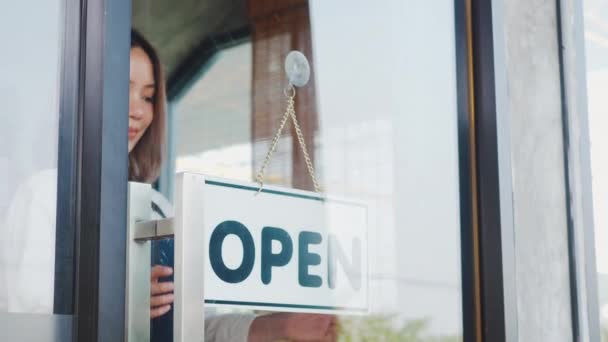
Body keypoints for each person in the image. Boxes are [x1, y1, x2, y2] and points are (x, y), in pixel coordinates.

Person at [0, 28, 336, 342]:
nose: (137, 111)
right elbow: (26, 322)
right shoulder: (48, 193)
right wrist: (121, 303)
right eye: (123, 90)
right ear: (83, 94)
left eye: (147, 97)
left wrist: (277, 326)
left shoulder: (159, 207)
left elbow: (195, 325)